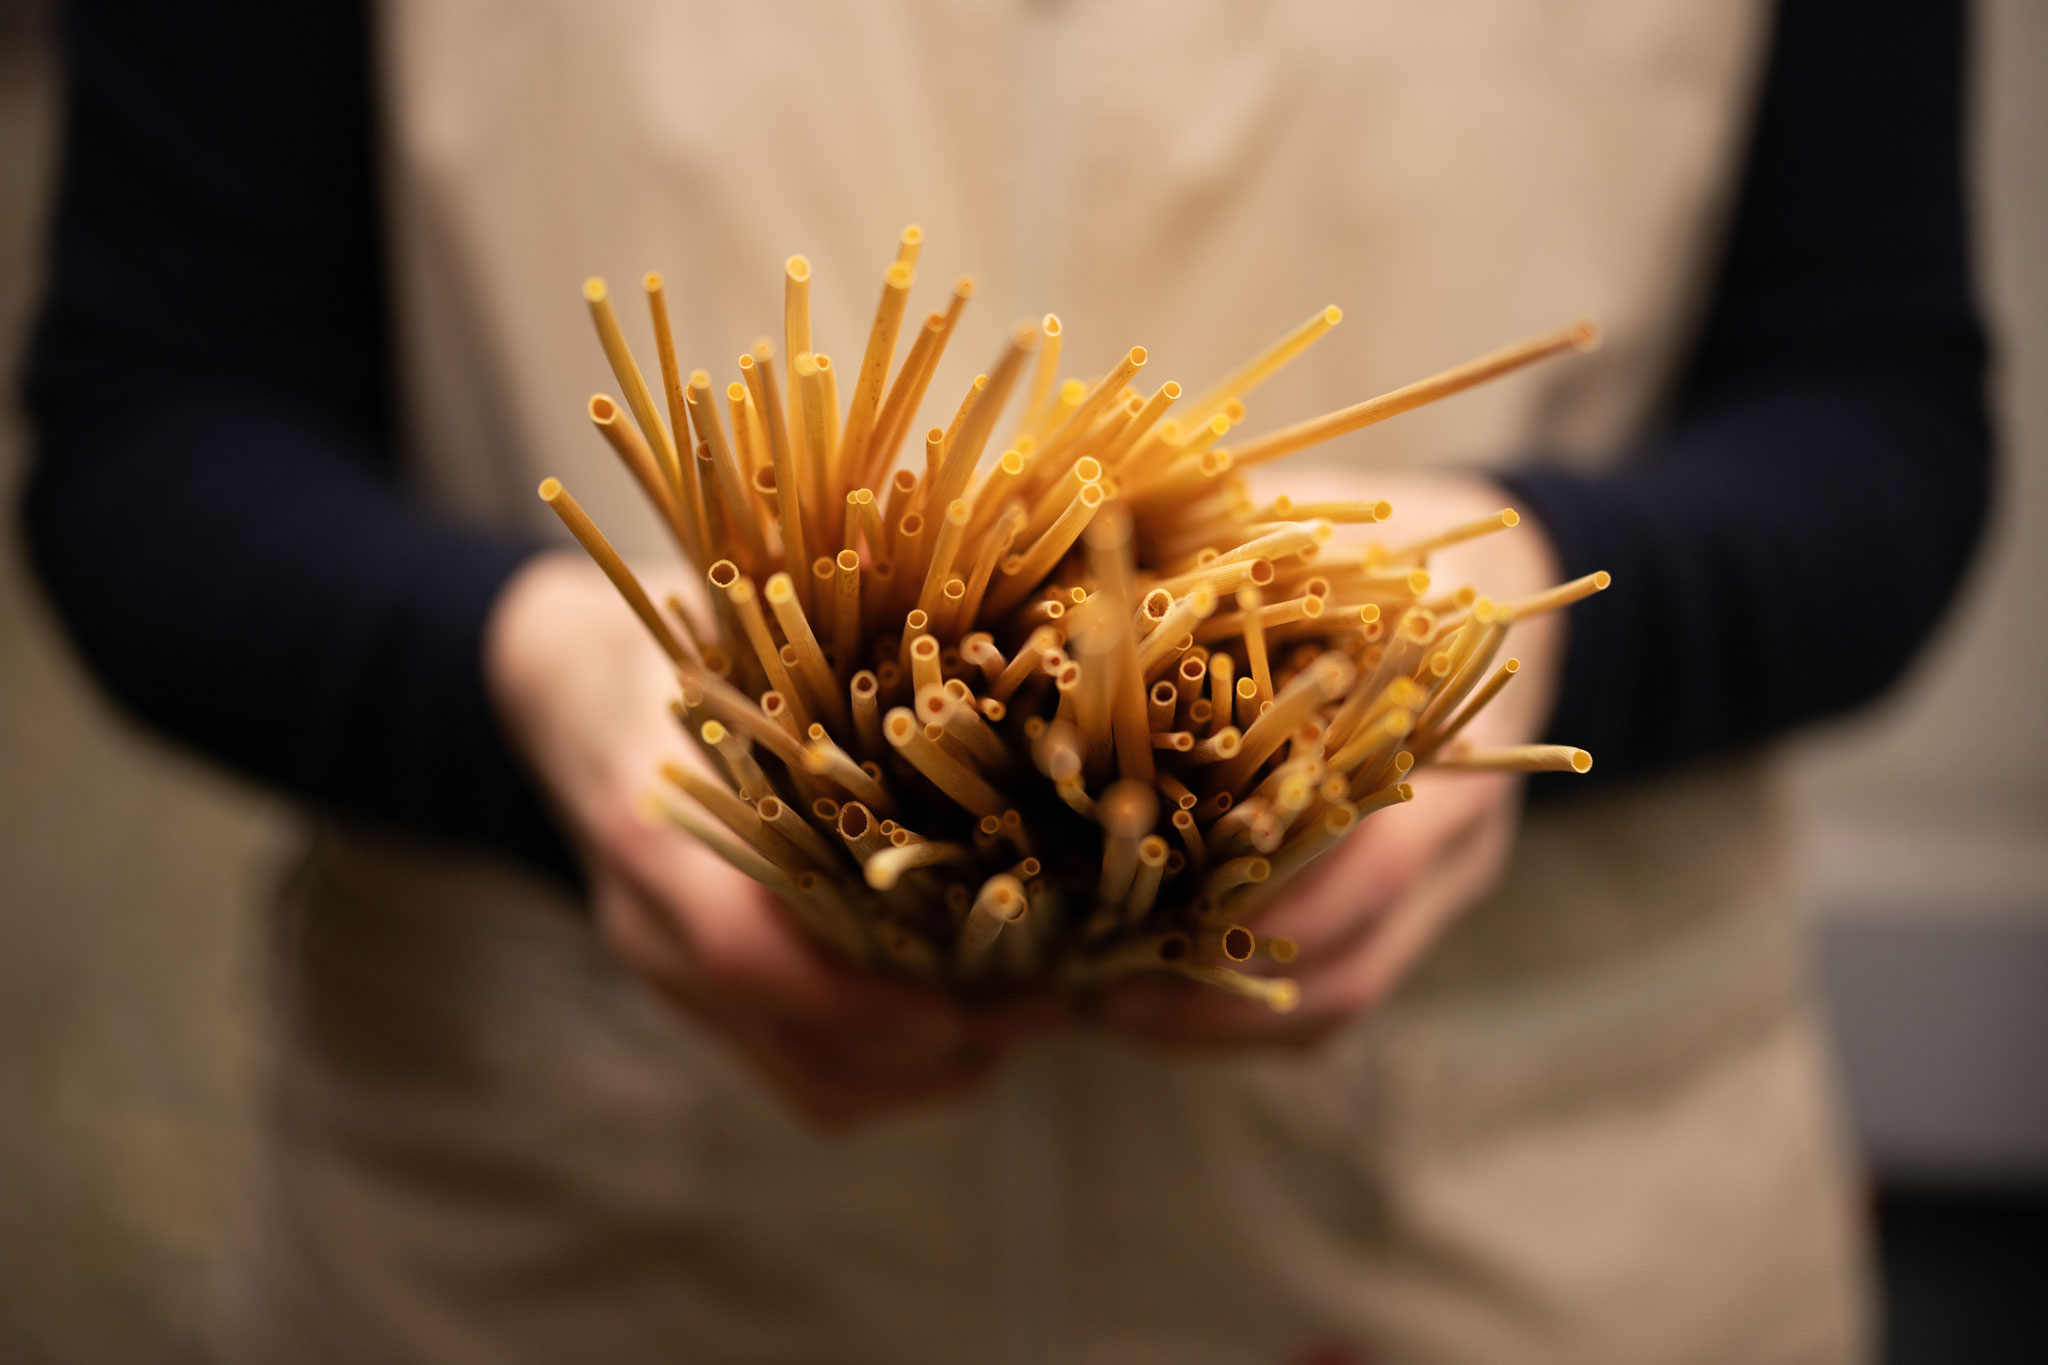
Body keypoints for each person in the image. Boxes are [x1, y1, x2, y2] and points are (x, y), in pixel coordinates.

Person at [22, 0, 1988, 1360]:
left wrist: (1516, 607)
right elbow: (150, 439)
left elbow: (1883, 413)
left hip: (1532, 1251)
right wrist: (542, 673)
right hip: (557, 1242)